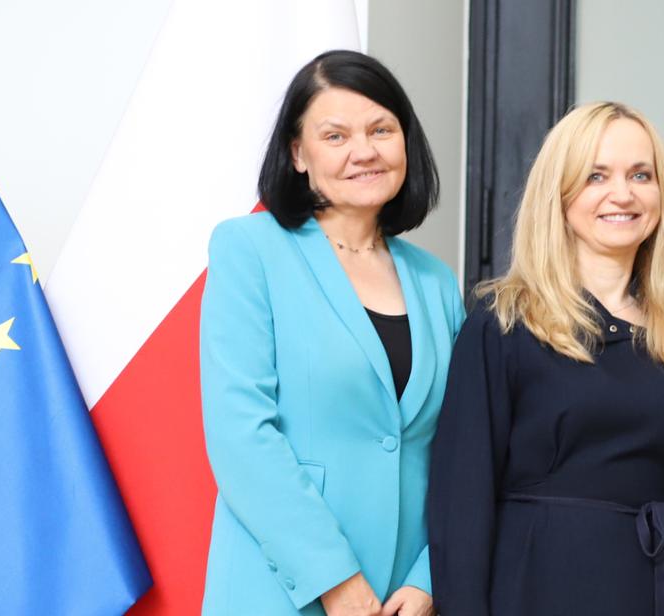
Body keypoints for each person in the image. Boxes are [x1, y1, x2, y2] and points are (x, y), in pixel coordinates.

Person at [426, 101, 664, 615]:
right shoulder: (504, 324)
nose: (623, 193)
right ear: (560, 193)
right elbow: (461, 504)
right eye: (597, 176)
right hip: (533, 592)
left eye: (641, 175)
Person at [199, 50, 464, 616]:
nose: (364, 151)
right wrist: (334, 579)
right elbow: (241, 434)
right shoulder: (249, 250)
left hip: (403, 599)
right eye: (335, 135)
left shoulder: (437, 282)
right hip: (282, 590)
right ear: (298, 153)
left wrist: (429, 578)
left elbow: (461, 449)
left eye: (381, 130)